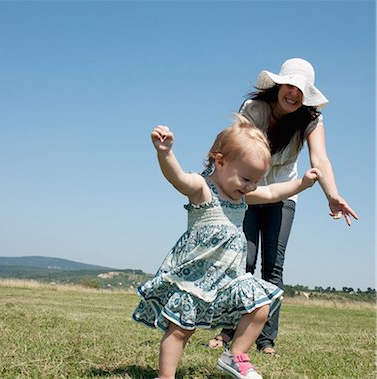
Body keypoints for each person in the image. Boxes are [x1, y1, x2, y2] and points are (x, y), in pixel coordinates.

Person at [132, 115, 321, 379]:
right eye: (246, 178)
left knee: (261, 307)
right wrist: (165, 153)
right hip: (195, 281)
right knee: (180, 331)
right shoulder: (202, 188)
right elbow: (177, 178)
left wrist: (301, 184)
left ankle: (234, 356)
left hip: (229, 280)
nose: (251, 186)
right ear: (220, 162)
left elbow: (271, 193)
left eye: (256, 180)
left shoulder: (244, 195)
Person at [207, 58, 358, 355]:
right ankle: (228, 331)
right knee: (244, 261)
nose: (293, 93)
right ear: (278, 85)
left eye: (301, 89)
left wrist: (332, 194)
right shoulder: (254, 109)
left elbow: (320, 159)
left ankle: (266, 339)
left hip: (284, 192)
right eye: (289, 85)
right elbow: (235, 147)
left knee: (272, 266)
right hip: (248, 191)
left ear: (307, 94)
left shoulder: (311, 120)